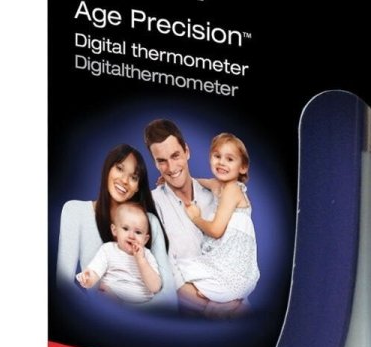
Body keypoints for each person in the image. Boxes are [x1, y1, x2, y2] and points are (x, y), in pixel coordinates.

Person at [56, 143, 176, 308]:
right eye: (119, 169)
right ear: (107, 169)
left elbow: (169, 297)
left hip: (144, 321)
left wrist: (121, 307)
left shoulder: (149, 222)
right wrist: (98, 312)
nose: (124, 181)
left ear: (137, 187)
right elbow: (64, 285)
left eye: (133, 177)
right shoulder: (75, 211)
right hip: (97, 318)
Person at [174, 133, 260, 313]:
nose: (221, 162)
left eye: (230, 159)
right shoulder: (217, 185)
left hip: (233, 269)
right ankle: (222, 302)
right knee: (182, 275)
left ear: (243, 167)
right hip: (227, 263)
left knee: (177, 270)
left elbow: (216, 230)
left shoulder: (232, 189)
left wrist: (196, 218)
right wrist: (174, 182)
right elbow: (196, 182)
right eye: (217, 156)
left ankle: (226, 302)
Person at [146, 119, 217, 288]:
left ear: (187, 151)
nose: (171, 168)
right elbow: (170, 277)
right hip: (193, 304)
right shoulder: (151, 206)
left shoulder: (215, 195)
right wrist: (214, 303)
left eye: (175, 156)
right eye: (162, 161)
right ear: (155, 163)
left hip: (237, 297)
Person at [77, 202, 163, 303]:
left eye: (138, 232)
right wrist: (88, 279)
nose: (131, 236)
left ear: (145, 239)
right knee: (102, 295)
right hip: (112, 300)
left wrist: (141, 260)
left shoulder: (147, 255)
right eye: (125, 229)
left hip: (142, 305)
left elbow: (155, 287)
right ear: (115, 230)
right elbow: (96, 270)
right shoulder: (108, 250)